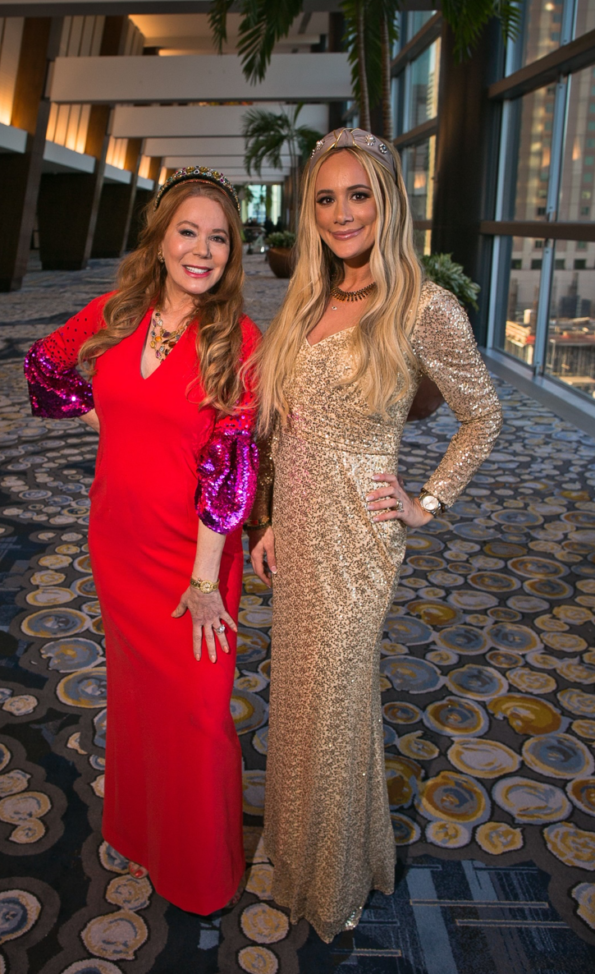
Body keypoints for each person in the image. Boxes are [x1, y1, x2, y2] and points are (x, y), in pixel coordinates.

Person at [247, 129, 503, 942]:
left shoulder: (424, 306)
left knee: (333, 700)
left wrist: (427, 500)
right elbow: (286, 428)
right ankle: (308, 854)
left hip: (361, 534)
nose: (341, 212)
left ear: (388, 201)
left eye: (358, 194)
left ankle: (332, 885)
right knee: (301, 701)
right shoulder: (309, 297)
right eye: (326, 198)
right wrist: (269, 520)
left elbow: (483, 417)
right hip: (300, 523)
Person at [25, 167, 260, 915]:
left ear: (231, 253)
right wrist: (105, 418)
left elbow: (230, 469)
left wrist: (201, 581)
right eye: (188, 232)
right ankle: (139, 830)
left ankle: (201, 871)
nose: (202, 249)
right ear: (159, 242)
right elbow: (42, 371)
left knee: (197, 713)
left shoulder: (235, 337)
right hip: (117, 541)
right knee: (135, 699)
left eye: (218, 237)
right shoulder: (117, 313)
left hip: (192, 557)